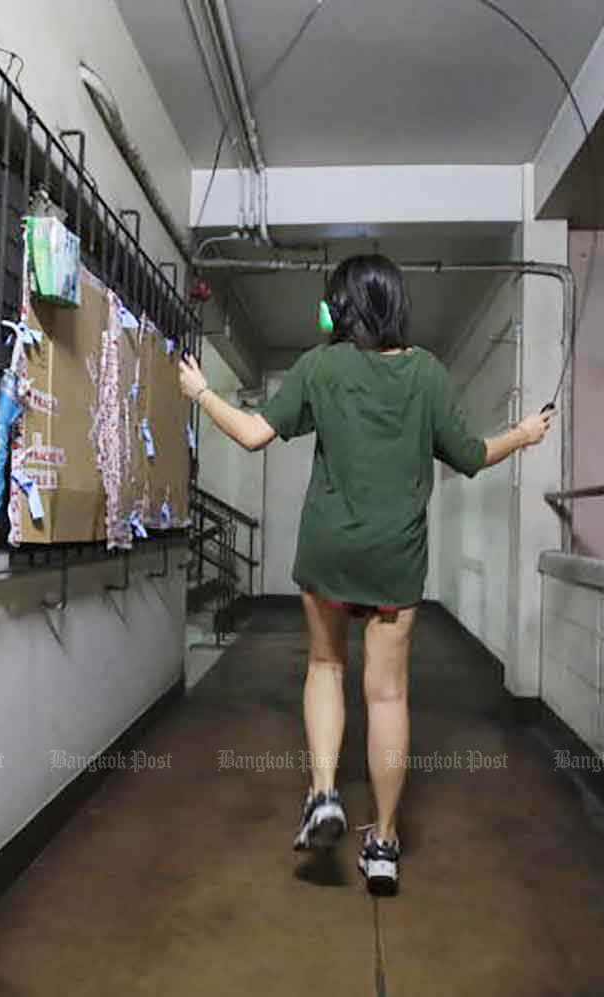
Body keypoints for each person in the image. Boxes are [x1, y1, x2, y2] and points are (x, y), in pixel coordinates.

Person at [177, 254, 552, 896]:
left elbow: (249, 435)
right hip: (395, 559)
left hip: (328, 551)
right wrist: (521, 433)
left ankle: (324, 795)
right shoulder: (428, 372)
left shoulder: (321, 365)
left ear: (344, 305)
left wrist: (202, 391)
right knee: (388, 696)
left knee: (325, 668)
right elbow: (471, 456)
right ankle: (383, 843)